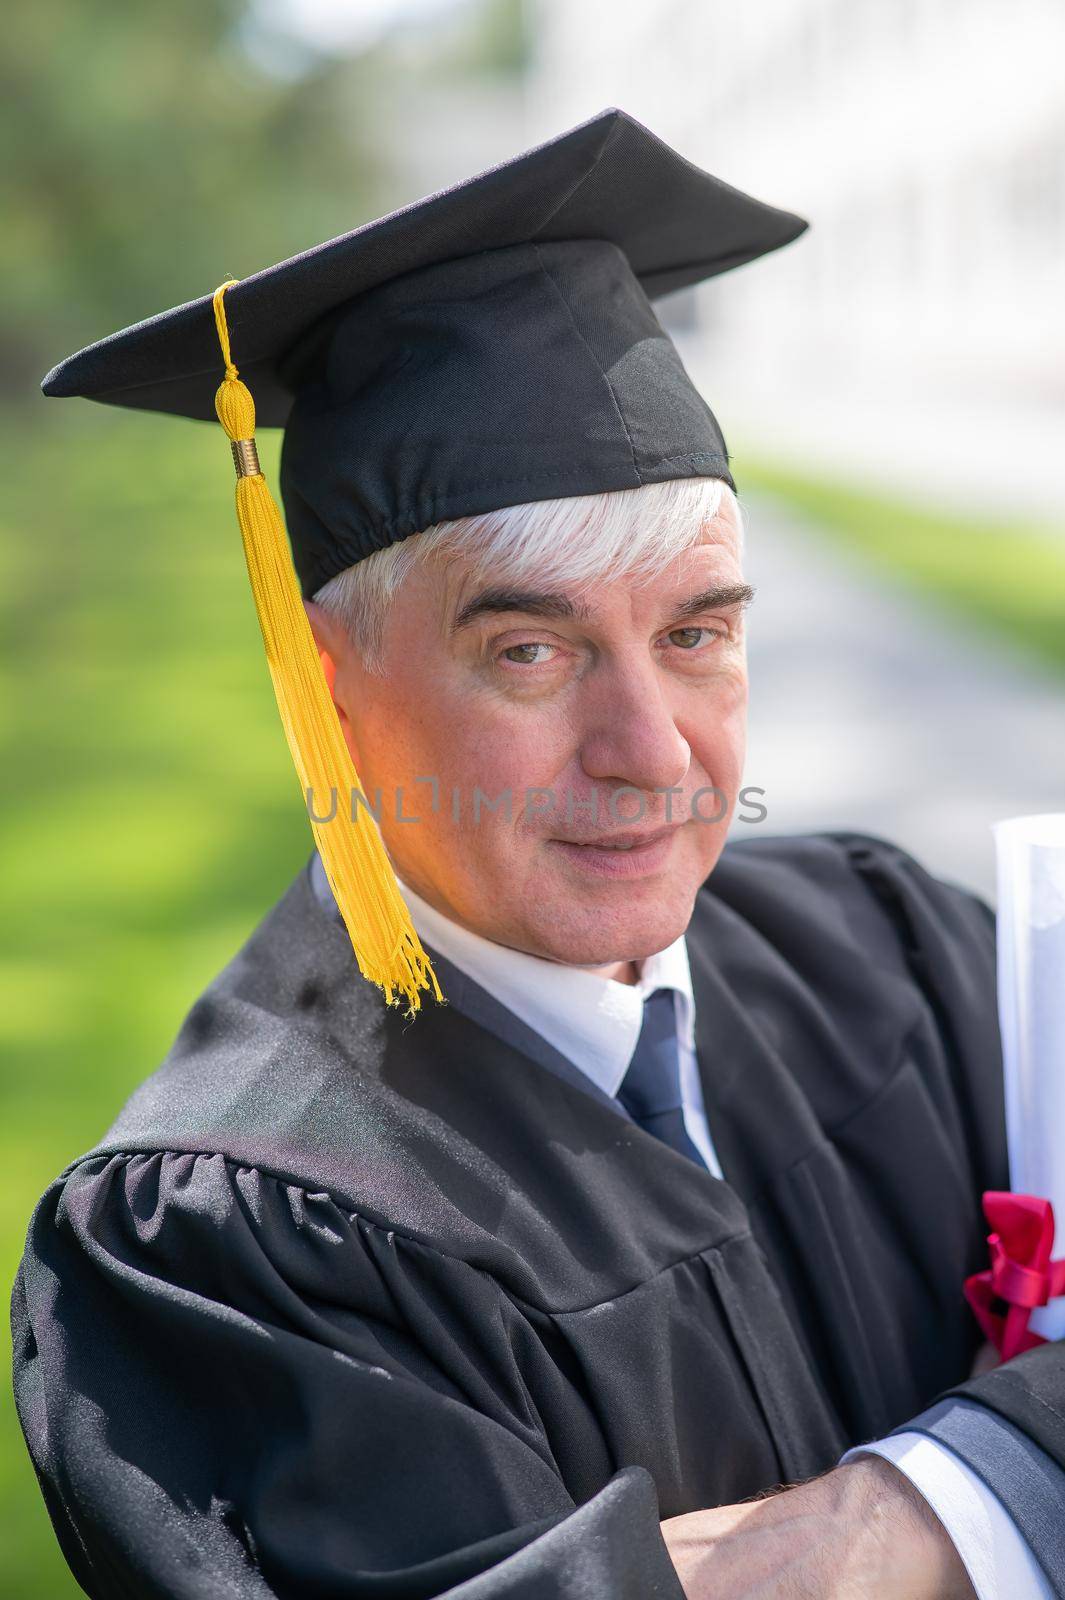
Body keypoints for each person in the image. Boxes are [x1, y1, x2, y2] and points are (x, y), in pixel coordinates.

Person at [10, 109, 1065, 1599]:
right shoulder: (227, 1242)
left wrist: (808, 1544)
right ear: (332, 688)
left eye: (696, 634)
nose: (649, 748)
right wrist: (1012, 1481)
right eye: (528, 649)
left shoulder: (900, 949)